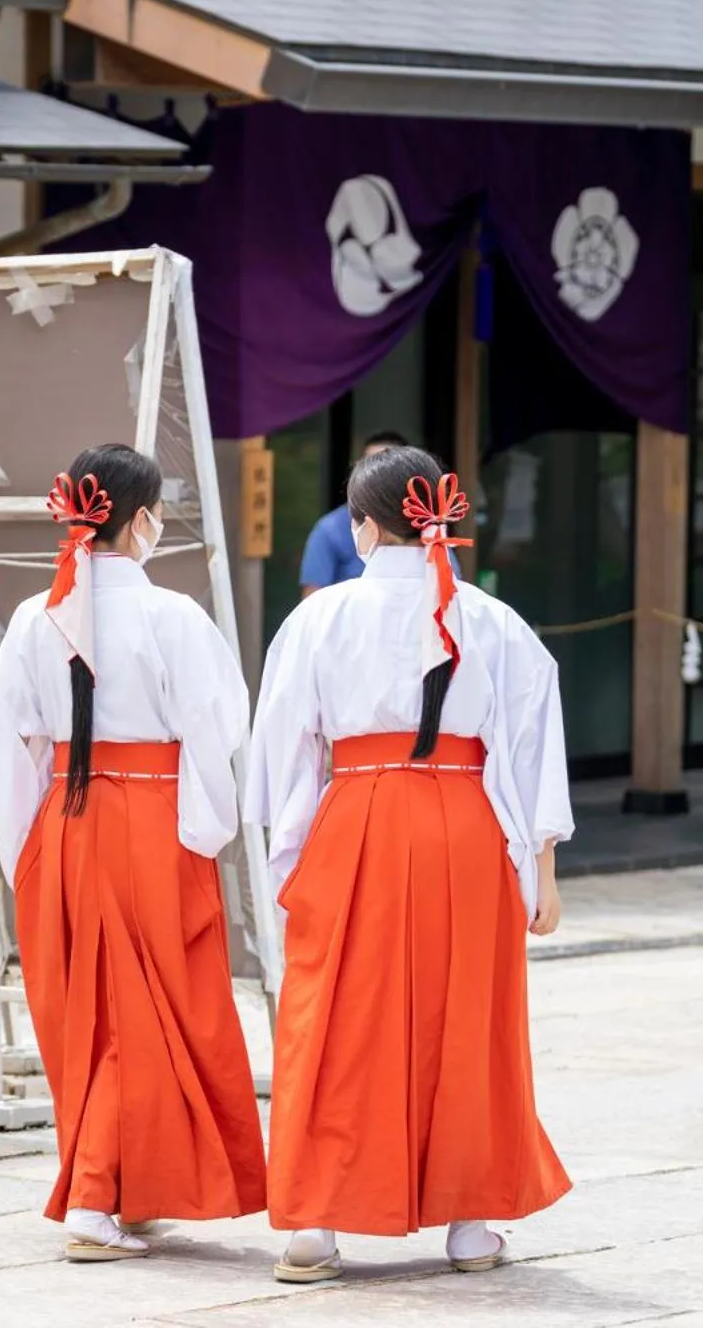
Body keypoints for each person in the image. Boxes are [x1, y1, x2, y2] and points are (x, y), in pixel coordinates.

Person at [247, 444, 572, 1282]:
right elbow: (532, 744)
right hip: (466, 823)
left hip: (356, 815)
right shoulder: (493, 620)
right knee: (466, 1018)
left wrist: (288, 854)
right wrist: (541, 870)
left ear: (362, 527)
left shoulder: (319, 619)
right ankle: (469, 1224)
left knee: (331, 1016)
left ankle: (315, 1224)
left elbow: (285, 751)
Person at [0, 443, 266, 1262]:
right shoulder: (173, 616)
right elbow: (219, 725)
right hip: (152, 818)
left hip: (67, 821)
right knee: (153, 1013)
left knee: (92, 1011)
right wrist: (206, 827)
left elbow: (11, 745)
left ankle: (122, 1187)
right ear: (142, 520)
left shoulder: (33, 617)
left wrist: (25, 851)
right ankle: (95, 1196)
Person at [298, 432, 409, 598]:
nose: (378, 478)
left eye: (388, 471)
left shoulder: (426, 526)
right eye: (370, 467)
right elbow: (312, 599)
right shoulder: (330, 529)